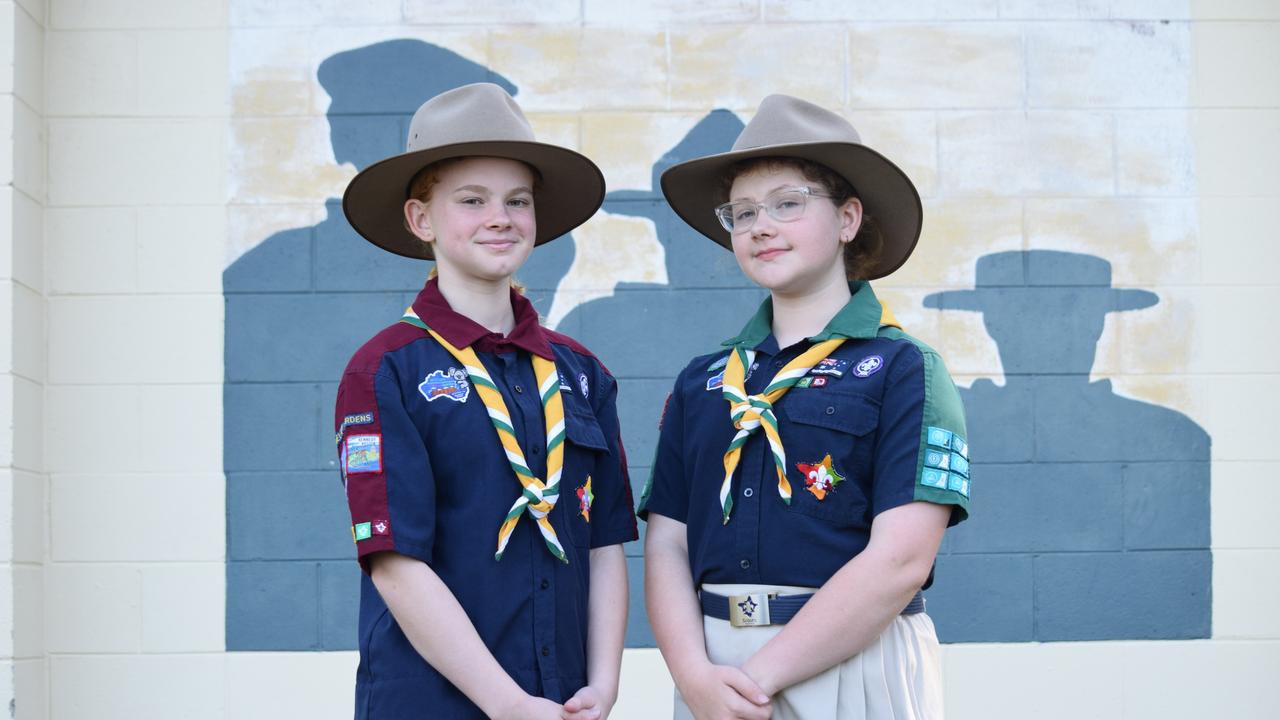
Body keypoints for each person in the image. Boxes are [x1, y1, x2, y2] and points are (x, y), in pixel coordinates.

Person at [641, 94, 971, 719]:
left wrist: (759, 679)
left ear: (848, 218)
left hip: (850, 659)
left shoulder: (903, 368)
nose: (760, 225)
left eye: (788, 204)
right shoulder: (704, 381)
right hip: (713, 668)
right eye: (741, 213)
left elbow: (900, 559)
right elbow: (667, 545)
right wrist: (695, 678)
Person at [334, 82, 636, 720]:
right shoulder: (385, 369)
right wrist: (507, 704)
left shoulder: (580, 372)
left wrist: (604, 684)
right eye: (471, 200)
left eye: (517, 201)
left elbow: (606, 543)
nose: (500, 217)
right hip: (434, 705)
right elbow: (394, 564)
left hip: (564, 703)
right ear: (422, 220)